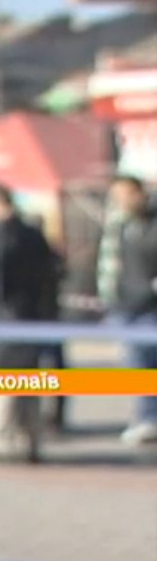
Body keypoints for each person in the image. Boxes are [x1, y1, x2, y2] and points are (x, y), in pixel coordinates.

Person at [0, 184, 60, 462]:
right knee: (28, 383)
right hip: (31, 317)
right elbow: (50, 276)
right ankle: (30, 438)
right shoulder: (33, 235)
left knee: (1, 383)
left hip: (2, 319)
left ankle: (1, 438)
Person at [107, 175, 157, 446]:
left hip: (149, 307)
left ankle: (149, 418)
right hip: (127, 305)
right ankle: (147, 417)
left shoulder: (151, 224)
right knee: (138, 367)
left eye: (125, 195)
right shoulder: (123, 226)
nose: (121, 201)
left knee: (146, 365)